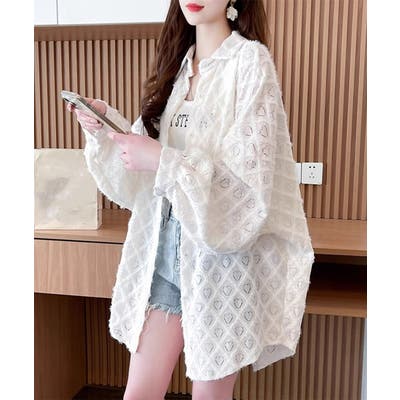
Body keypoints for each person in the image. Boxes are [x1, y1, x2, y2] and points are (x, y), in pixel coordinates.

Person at [68, 1, 315, 399]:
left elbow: (249, 181)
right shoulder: (179, 68)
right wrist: (104, 128)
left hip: (219, 263)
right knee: (139, 392)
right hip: (163, 254)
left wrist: (162, 160)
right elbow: (142, 177)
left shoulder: (250, 62)